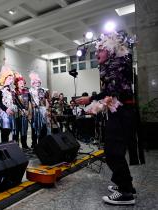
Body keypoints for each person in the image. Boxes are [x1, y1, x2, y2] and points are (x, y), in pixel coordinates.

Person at [76, 31, 145, 205]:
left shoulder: (117, 63)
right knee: (115, 151)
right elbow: (111, 95)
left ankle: (126, 193)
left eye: (100, 49)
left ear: (110, 50)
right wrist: (96, 107)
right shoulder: (113, 65)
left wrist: (91, 99)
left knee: (113, 152)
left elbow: (112, 91)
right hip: (120, 112)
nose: (96, 53)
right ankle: (126, 184)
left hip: (123, 113)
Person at [0, 66, 17, 143]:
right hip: (3, 113)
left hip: (11, 112)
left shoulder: (12, 90)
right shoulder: (0, 89)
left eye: (12, 79)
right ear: (4, 79)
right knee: (5, 131)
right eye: (9, 79)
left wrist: (22, 108)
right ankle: (4, 147)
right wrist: (6, 109)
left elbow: (16, 101)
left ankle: (8, 147)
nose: (11, 80)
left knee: (9, 131)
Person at [29, 72, 49, 148]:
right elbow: (28, 101)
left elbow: (48, 101)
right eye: (35, 82)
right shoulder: (30, 91)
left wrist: (47, 109)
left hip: (43, 110)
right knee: (34, 127)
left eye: (38, 81)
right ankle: (34, 144)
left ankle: (42, 143)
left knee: (43, 127)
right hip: (34, 111)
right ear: (32, 83)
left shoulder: (44, 90)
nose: (37, 83)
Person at [13, 73, 30, 149]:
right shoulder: (14, 92)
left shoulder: (27, 92)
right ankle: (15, 146)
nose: (22, 84)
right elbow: (15, 102)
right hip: (17, 114)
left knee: (24, 129)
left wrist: (28, 111)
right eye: (20, 83)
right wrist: (22, 109)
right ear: (17, 84)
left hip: (25, 114)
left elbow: (30, 102)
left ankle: (24, 144)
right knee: (16, 130)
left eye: (23, 82)